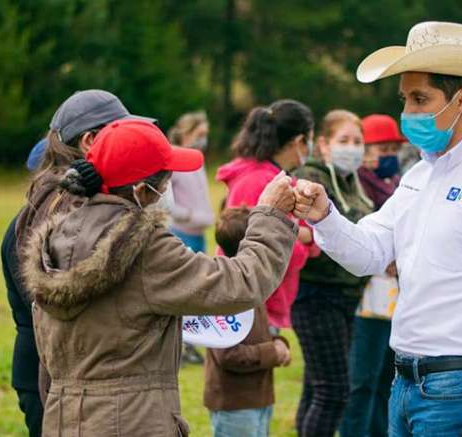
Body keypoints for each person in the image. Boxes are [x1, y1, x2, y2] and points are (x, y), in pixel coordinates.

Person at [292, 21, 462, 437]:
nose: (407, 113)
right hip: (405, 381)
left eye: (419, 99)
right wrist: (325, 214)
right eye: (405, 99)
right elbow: (370, 252)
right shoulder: (418, 175)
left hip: (460, 385)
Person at [20, 119, 298, 436]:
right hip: (134, 420)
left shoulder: (57, 235)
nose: (168, 191)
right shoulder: (145, 249)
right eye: (165, 183)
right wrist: (270, 216)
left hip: (65, 418)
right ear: (141, 190)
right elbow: (241, 282)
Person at [0, 89, 153, 436]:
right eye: (121, 134)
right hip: (55, 381)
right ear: (89, 141)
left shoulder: (51, 203)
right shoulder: (62, 215)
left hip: (59, 375)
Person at [291, 109, 374, 437]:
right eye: (344, 141)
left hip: (347, 295)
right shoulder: (311, 180)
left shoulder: (352, 181)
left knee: (317, 386)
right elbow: (308, 232)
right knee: (334, 390)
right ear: (323, 144)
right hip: (317, 293)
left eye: (358, 141)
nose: (352, 148)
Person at [216, 99, 313, 331]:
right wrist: (304, 239)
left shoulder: (270, 177)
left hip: (263, 297)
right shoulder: (258, 181)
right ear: (300, 141)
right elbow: (245, 238)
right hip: (256, 304)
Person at [339, 113, 402, 437]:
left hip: (392, 294)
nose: (389, 155)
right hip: (367, 296)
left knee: (385, 377)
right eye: (383, 148)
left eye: (394, 148)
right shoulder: (359, 185)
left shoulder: (396, 183)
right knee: (362, 379)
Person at [204, 206, 292, 437]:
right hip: (235, 404)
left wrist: (278, 342)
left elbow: (256, 334)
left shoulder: (250, 286)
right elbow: (228, 355)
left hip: (258, 398)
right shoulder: (224, 293)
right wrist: (273, 352)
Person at [166, 110, 215, 366]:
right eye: (200, 135)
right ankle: (179, 345)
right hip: (182, 233)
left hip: (199, 236)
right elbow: (168, 202)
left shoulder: (198, 160)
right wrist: (190, 216)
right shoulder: (173, 159)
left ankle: (191, 344)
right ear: (186, 133)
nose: (203, 140)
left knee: (197, 293)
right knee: (183, 293)